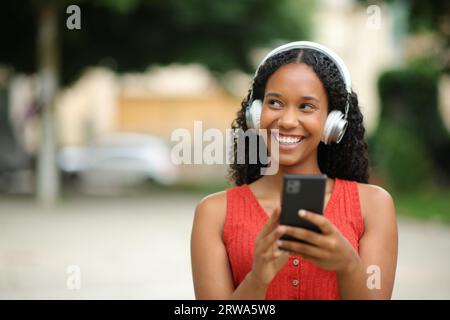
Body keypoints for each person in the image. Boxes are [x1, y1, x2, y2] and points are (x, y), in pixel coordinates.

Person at [190, 41, 398, 300]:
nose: (287, 121)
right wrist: (258, 278)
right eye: (275, 103)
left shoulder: (374, 205)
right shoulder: (214, 213)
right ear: (256, 113)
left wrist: (347, 265)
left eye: (306, 107)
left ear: (333, 122)